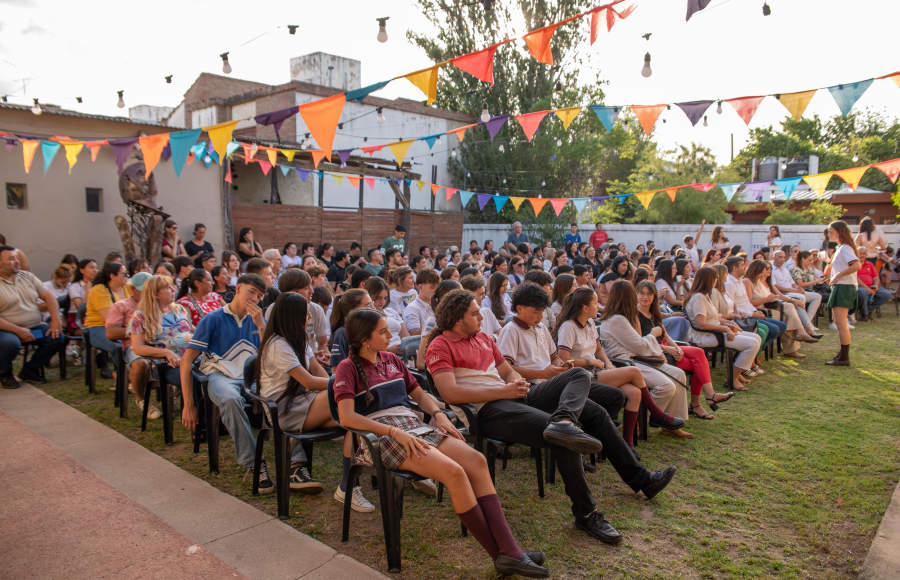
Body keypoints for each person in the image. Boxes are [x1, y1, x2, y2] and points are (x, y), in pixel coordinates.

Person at [427, 289, 677, 545]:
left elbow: (506, 370)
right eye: (474, 312)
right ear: (458, 320)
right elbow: (450, 393)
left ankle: (638, 476)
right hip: (487, 412)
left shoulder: (482, 337)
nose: (482, 315)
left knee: (582, 383)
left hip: (515, 396)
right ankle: (586, 513)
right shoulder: (440, 345)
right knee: (563, 438)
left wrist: (517, 383)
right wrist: (505, 389)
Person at [334, 309, 549, 577]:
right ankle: (502, 555)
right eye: (383, 331)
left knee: (476, 461)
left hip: (413, 426)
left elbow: (420, 394)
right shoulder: (348, 367)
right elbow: (346, 416)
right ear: (365, 339)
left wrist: (438, 414)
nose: (391, 335)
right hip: (381, 435)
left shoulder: (390, 359)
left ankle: (511, 551)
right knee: (454, 473)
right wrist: (393, 431)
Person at [179, 274, 284, 492]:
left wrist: (260, 324)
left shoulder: (259, 321)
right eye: (251, 292)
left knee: (281, 397)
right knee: (230, 399)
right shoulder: (213, 318)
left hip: (252, 378)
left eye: (259, 295)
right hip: (220, 376)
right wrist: (188, 404)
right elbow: (187, 360)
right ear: (237, 290)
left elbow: (270, 355)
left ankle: (296, 463)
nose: (254, 298)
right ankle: (255, 462)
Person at [555, 287, 682, 453]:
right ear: (585, 308)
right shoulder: (568, 326)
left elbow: (600, 350)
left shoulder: (590, 323)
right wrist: (588, 361)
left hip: (596, 370)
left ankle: (627, 442)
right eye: (595, 304)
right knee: (634, 372)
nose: (599, 306)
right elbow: (563, 358)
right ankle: (657, 414)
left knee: (635, 393)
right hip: (580, 376)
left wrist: (608, 363)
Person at [256, 293, 349, 496]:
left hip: (305, 401)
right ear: (292, 316)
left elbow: (317, 372)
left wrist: (342, 383)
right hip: (285, 411)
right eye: (305, 313)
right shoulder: (277, 344)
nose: (309, 317)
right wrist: (346, 384)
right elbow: (308, 381)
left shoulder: (299, 339)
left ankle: (350, 484)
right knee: (347, 400)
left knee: (356, 417)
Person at [599, 280, 692, 439]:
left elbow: (639, 344)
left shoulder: (622, 317)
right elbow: (641, 346)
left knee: (679, 375)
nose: (637, 298)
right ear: (627, 297)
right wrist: (654, 334)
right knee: (665, 386)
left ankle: (671, 425)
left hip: (638, 359)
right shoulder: (617, 319)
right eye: (635, 294)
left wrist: (658, 346)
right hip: (626, 363)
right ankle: (646, 420)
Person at [682, 268, 763, 392]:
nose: (716, 280)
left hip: (715, 333)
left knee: (756, 337)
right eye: (715, 278)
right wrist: (725, 328)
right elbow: (702, 324)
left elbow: (714, 317)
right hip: (706, 336)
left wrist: (730, 324)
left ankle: (736, 372)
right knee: (753, 344)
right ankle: (732, 377)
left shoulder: (704, 295)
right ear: (709, 279)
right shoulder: (699, 297)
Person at [127, 274, 193, 420]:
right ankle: (200, 423)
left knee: (217, 375)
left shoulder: (179, 309)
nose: (174, 289)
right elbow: (137, 348)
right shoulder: (141, 317)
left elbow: (192, 331)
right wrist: (165, 352)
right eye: (168, 288)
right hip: (168, 366)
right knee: (195, 380)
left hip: (193, 358)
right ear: (156, 294)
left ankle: (216, 419)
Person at [0, 246, 65, 388]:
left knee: (55, 336)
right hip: (7, 332)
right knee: (11, 343)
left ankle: (29, 370)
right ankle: (5, 373)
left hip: (33, 329)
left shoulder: (27, 276)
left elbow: (48, 296)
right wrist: (18, 331)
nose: (17, 261)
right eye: (11, 259)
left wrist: (55, 320)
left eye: (16, 258)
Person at [745, 260, 818, 358]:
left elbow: (780, 295)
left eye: (768, 269)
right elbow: (748, 302)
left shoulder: (763, 282)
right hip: (760, 310)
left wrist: (791, 299)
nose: (767, 271)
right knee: (789, 316)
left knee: (791, 310)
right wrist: (767, 299)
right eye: (765, 269)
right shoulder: (748, 282)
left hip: (769, 308)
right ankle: (795, 343)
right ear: (757, 270)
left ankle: (800, 334)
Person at [84, 261, 133, 381]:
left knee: (137, 340)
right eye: (124, 274)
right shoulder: (99, 290)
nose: (127, 276)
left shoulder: (128, 287)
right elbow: (109, 319)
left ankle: (131, 373)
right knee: (118, 345)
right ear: (113, 276)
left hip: (124, 326)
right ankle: (124, 377)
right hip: (98, 327)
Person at [826, 220, 861, 366]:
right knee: (838, 322)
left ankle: (844, 357)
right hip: (841, 286)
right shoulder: (842, 247)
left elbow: (856, 265)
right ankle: (842, 353)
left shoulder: (845, 248)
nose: (828, 234)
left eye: (831, 232)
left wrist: (838, 275)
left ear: (839, 232)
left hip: (844, 287)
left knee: (841, 323)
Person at [771, 251, 822, 334]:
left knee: (817, 296)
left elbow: (793, 283)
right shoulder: (772, 270)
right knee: (801, 297)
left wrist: (798, 288)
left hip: (792, 291)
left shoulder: (785, 269)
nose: (782, 259)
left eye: (784, 257)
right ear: (773, 257)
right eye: (780, 257)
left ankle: (807, 320)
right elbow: (775, 286)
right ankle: (805, 325)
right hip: (784, 293)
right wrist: (794, 290)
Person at [329, 289, 373, 373]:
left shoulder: (368, 330)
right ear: (353, 313)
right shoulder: (341, 333)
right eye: (368, 305)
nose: (373, 308)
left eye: (372, 304)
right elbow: (336, 370)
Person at [365, 277, 410, 356]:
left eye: (385, 298)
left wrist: (408, 348)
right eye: (378, 298)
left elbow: (406, 337)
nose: (382, 301)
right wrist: (388, 350)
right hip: (383, 356)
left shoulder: (391, 311)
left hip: (402, 354)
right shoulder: (365, 316)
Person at [854, 246, 892, 322]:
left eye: (863, 253)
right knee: (863, 292)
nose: (862, 255)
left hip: (871, 286)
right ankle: (864, 314)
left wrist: (875, 286)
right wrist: (867, 288)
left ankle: (868, 309)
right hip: (859, 287)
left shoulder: (870, 264)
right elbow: (856, 278)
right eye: (860, 253)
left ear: (866, 255)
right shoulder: (854, 264)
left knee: (887, 294)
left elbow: (876, 277)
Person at [403, 268, 439, 335]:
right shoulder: (412, 308)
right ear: (420, 287)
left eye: (437, 287)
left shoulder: (438, 304)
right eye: (432, 287)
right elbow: (413, 333)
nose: (435, 290)